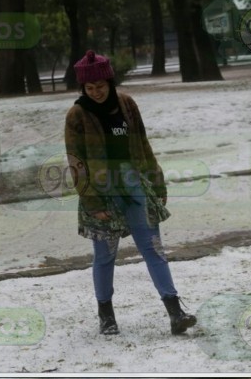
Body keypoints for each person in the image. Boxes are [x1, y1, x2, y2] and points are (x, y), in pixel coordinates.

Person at [64, 50, 196, 335]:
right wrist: (92, 202)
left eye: (101, 86)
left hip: (135, 185)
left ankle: (176, 312)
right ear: (83, 88)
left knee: (154, 249)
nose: (96, 92)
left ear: (110, 82)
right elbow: (76, 162)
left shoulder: (127, 104)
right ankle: (106, 315)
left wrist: (157, 184)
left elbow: (144, 146)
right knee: (104, 255)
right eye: (90, 87)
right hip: (101, 191)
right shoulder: (77, 114)